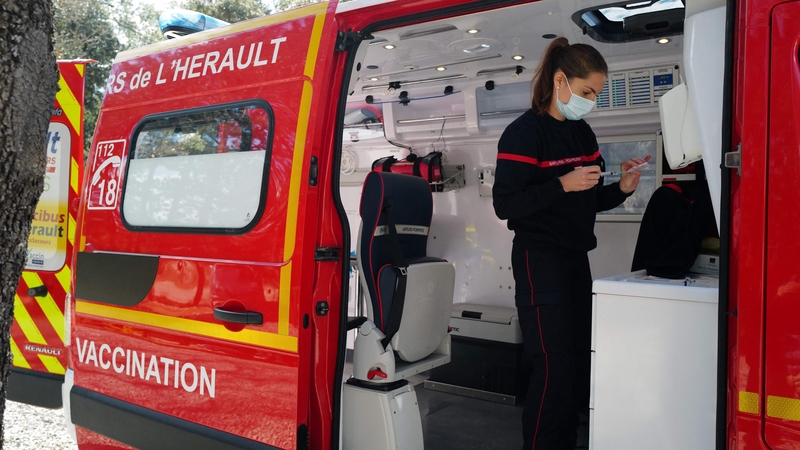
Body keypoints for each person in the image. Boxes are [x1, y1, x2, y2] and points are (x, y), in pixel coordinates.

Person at [492, 37, 649, 450]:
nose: (590, 101)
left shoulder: (582, 132)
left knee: (578, 359)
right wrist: (560, 184)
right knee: (553, 365)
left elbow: (590, 198)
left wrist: (622, 189)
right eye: (586, 92)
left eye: (595, 94)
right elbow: (505, 204)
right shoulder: (522, 134)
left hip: (575, 257)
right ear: (560, 81)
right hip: (538, 259)